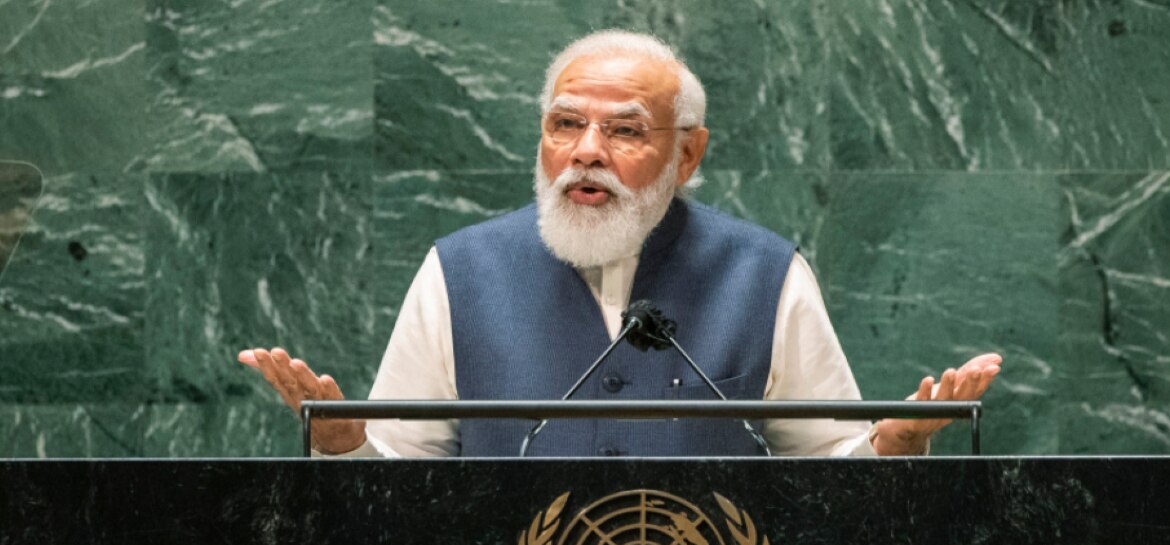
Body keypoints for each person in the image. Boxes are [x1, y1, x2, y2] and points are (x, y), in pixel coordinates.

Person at [239, 30, 1001, 458]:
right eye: (565, 124)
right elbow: (405, 482)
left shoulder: (767, 273)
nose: (586, 150)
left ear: (688, 156)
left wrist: (894, 445)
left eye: (626, 129)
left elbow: (826, 466)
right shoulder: (458, 271)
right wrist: (342, 445)